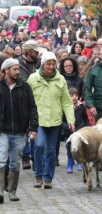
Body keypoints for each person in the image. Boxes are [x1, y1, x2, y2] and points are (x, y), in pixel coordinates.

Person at [28, 52, 75, 189]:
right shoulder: (33, 78)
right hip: (38, 120)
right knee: (39, 145)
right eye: (48, 63)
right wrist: (28, 121)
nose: (51, 66)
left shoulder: (60, 80)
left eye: (53, 64)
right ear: (42, 64)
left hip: (55, 120)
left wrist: (71, 119)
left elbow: (66, 102)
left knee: (51, 150)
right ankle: (38, 175)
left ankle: (48, 178)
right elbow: (27, 100)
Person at [0, 58, 38, 203]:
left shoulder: (25, 86)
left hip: (19, 131)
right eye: (15, 69)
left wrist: (33, 127)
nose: (18, 71)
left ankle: (12, 191)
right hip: (2, 130)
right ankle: (0, 192)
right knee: (1, 160)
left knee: (15, 162)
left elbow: (32, 108)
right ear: (6, 70)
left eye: (18, 69)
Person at [18, 40, 42, 169]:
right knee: (24, 129)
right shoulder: (18, 64)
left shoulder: (39, 63)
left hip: (38, 100)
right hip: (22, 101)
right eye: (35, 50)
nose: (37, 52)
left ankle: (34, 156)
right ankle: (25, 156)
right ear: (28, 52)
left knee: (35, 127)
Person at [64, 88, 90, 173]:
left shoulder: (81, 106)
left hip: (80, 131)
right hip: (69, 132)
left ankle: (79, 162)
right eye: (72, 95)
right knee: (69, 148)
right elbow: (62, 120)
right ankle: (70, 164)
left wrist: (88, 126)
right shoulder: (65, 107)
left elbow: (85, 118)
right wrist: (66, 126)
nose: (74, 97)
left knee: (79, 147)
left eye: (76, 95)